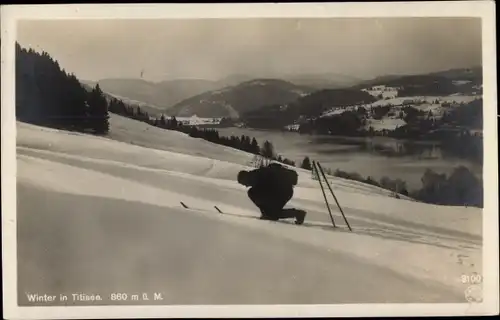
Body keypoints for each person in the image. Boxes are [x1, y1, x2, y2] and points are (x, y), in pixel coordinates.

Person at [237, 162, 306, 225]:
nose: (245, 185)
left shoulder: (256, 177)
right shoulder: (257, 174)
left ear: (244, 178)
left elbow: (263, 196)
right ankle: (298, 214)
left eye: (243, 183)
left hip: (281, 192)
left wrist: (265, 212)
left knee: (251, 193)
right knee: (273, 214)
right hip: (285, 191)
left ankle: (268, 214)